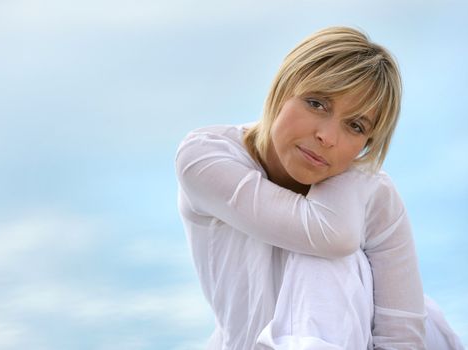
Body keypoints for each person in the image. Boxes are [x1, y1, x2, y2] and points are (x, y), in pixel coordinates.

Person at [175, 26, 464, 349]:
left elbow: (402, 334)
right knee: (329, 252)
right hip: (246, 341)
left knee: (337, 256)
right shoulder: (206, 156)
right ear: (283, 89)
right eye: (317, 103)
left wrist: (360, 180)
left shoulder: (373, 191)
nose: (327, 137)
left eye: (355, 126)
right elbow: (332, 234)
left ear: (367, 145)